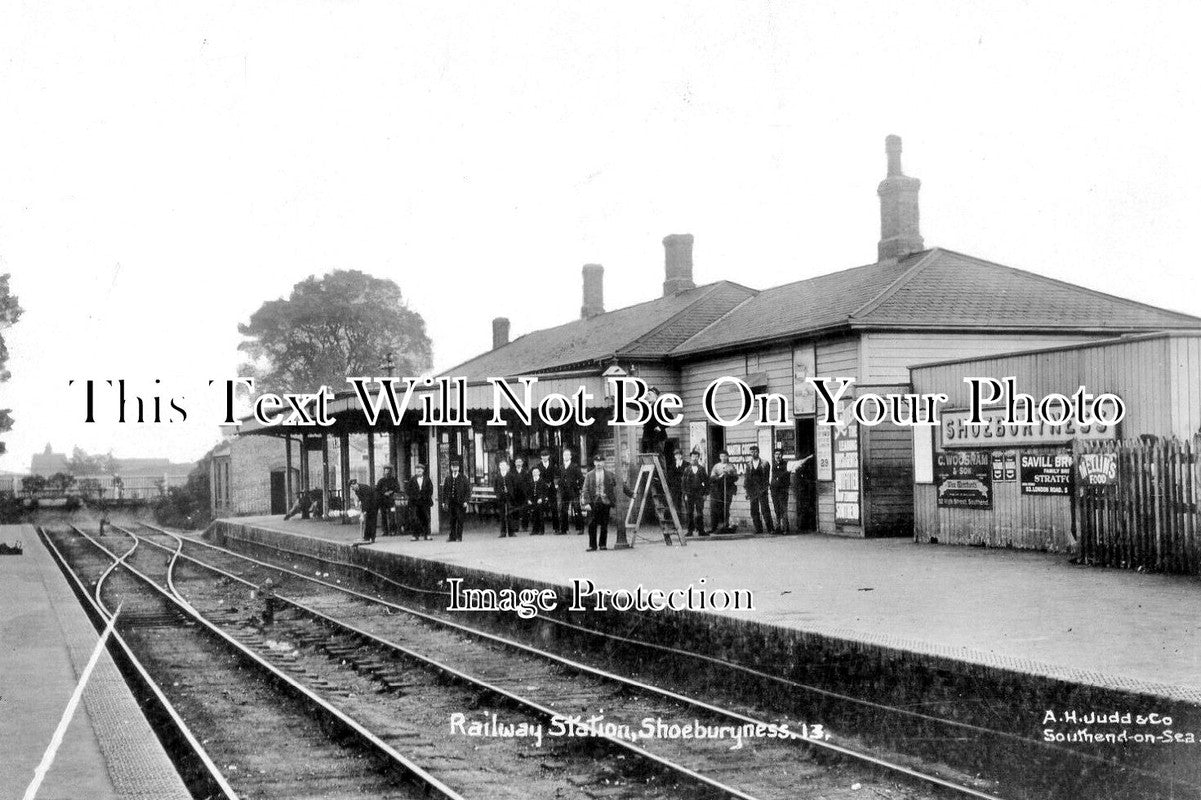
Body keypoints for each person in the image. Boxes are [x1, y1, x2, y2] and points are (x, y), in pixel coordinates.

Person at [581, 452, 616, 551]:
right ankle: (592, 545)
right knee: (592, 524)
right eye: (597, 461)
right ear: (594, 463)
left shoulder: (609, 474)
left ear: (604, 463)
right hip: (593, 502)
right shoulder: (589, 475)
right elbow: (585, 489)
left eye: (600, 462)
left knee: (604, 524)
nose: (599, 464)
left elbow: (620, 484)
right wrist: (587, 503)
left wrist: (631, 494)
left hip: (605, 502)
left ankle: (602, 544)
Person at [744, 445, 773, 533]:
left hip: (762, 490)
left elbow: (767, 478)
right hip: (752, 491)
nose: (753, 453)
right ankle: (758, 529)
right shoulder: (748, 464)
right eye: (752, 452)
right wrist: (746, 491)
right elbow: (747, 478)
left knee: (765, 509)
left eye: (755, 451)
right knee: (754, 510)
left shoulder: (765, 463)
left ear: (758, 452)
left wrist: (765, 488)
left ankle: (770, 528)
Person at [441, 459, 471, 542]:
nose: (455, 469)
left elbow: (468, 491)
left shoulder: (463, 478)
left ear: (459, 468)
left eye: (456, 467)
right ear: (451, 468)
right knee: (452, 520)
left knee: (460, 519)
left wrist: (466, 501)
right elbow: (445, 491)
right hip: (451, 503)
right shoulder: (448, 478)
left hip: (460, 503)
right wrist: (444, 502)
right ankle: (452, 536)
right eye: (453, 467)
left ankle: (459, 536)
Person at [556, 449, 584, 535]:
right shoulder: (561, 467)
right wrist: (559, 485)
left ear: (570, 456)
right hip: (563, 491)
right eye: (564, 455)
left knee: (576, 509)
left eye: (568, 455)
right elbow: (558, 478)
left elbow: (581, 478)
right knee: (563, 510)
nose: (566, 457)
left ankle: (580, 528)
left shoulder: (575, 467)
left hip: (573, 491)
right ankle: (564, 529)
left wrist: (578, 487)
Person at [682, 450, 709, 536]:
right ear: (691, 458)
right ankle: (690, 531)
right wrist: (685, 494)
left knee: (699, 512)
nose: (695, 458)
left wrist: (705, 494)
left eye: (696, 457)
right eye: (693, 457)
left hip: (699, 494)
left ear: (698, 458)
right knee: (689, 512)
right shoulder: (687, 469)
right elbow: (683, 483)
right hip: (689, 494)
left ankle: (701, 530)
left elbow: (707, 482)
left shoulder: (702, 469)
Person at [709, 451, 738, 533]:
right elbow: (712, 478)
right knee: (717, 508)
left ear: (728, 457)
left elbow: (736, 477)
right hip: (718, 490)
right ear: (719, 457)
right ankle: (715, 527)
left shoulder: (731, 466)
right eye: (722, 456)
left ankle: (725, 525)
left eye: (725, 456)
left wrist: (728, 474)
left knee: (726, 508)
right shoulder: (716, 466)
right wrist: (720, 476)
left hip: (728, 490)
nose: (723, 458)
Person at [405, 464, 434, 540]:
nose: (419, 471)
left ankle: (427, 534)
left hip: (424, 502)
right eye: (417, 469)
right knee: (414, 519)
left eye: (420, 470)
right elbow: (408, 490)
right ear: (415, 471)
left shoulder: (427, 479)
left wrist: (426, 496)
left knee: (426, 518)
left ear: (423, 471)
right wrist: (414, 496)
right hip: (414, 502)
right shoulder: (412, 480)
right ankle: (415, 535)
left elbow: (430, 489)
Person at [493, 458, 519, 537]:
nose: (503, 467)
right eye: (501, 465)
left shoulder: (510, 475)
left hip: (509, 497)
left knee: (510, 514)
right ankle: (503, 532)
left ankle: (511, 532)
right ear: (499, 466)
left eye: (504, 465)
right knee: (502, 515)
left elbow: (514, 485)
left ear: (507, 466)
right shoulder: (497, 476)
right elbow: (495, 487)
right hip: (501, 497)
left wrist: (511, 493)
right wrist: (498, 495)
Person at [769, 448, 792, 534]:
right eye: (776, 454)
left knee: (783, 509)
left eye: (779, 454)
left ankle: (785, 528)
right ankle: (778, 527)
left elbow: (787, 478)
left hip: (782, 490)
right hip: (774, 490)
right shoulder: (773, 465)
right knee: (776, 509)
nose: (777, 456)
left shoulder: (786, 464)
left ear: (782, 455)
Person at [349, 479, 377, 544]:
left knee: (372, 520)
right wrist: (358, 502)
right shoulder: (357, 490)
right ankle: (366, 537)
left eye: (352, 487)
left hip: (374, 503)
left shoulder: (364, 488)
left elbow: (366, 500)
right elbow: (362, 499)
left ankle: (372, 537)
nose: (352, 489)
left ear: (355, 484)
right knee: (368, 521)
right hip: (369, 503)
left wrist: (364, 512)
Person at [527, 465, 553, 535]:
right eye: (533, 472)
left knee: (540, 516)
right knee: (534, 516)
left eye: (536, 472)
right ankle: (534, 530)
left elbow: (545, 491)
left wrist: (542, 498)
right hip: (533, 501)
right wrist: (529, 499)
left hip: (540, 501)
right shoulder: (530, 482)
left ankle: (541, 530)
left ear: (539, 473)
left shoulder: (542, 481)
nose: (535, 473)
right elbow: (528, 492)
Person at [375, 467, 401, 536]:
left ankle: (392, 530)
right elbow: (377, 490)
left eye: (388, 472)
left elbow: (397, 489)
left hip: (391, 501)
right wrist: (383, 493)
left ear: (390, 473)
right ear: (384, 473)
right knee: (383, 516)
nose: (387, 474)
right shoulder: (381, 481)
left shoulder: (394, 480)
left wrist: (391, 492)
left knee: (392, 515)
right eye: (385, 472)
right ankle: (385, 531)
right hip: (383, 501)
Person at [512, 456, 530, 531]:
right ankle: (515, 527)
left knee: (524, 511)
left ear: (522, 463)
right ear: (515, 463)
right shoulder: (511, 472)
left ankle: (524, 527)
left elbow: (528, 483)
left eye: (520, 462)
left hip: (524, 495)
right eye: (517, 462)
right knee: (515, 511)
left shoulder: (526, 472)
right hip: (515, 494)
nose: (518, 464)